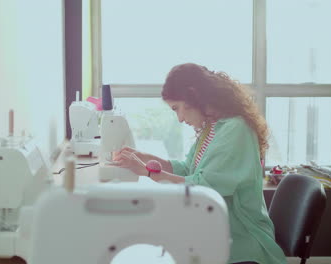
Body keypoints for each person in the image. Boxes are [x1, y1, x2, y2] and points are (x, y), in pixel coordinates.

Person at [113, 63, 287, 264]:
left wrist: (147, 172)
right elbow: (188, 169)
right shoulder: (213, 126)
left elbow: (205, 187)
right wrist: (143, 156)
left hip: (242, 239)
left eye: (177, 108)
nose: (179, 118)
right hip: (218, 228)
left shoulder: (235, 129)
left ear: (192, 95)